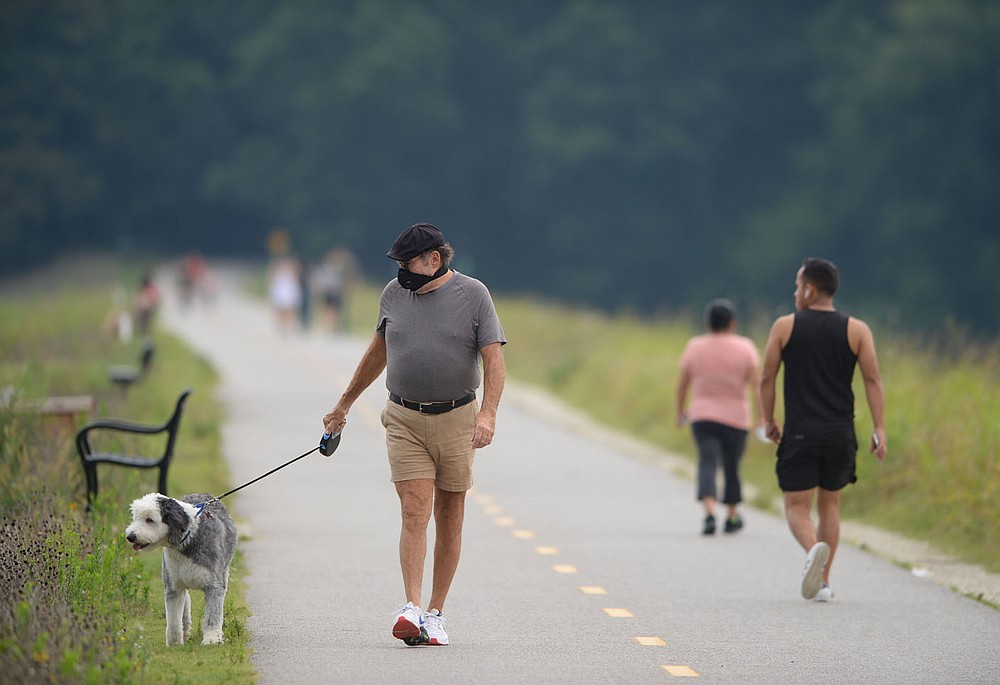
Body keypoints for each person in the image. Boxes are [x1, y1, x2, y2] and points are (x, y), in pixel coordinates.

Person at [322, 222, 506, 646]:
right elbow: (378, 352)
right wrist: (344, 404)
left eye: (409, 263)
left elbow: (493, 362)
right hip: (403, 417)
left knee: (450, 515)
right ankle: (411, 607)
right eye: (399, 264)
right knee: (413, 509)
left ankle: (435, 614)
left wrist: (489, 415)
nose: (402, 270)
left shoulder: (474, 295)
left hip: (458, 418)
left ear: (435, 260)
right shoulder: (393, 294)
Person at [761, 257, 887, 602]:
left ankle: (812, 547)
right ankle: (824, 582)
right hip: (840, 433)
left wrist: (768, 420)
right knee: (830, 505)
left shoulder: (785, 327)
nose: (794, 292)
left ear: (809, 289)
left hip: (801, 432)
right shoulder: (857, 329)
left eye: (797, 285)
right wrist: (879, 427)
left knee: (797, 507)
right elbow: (872, 379)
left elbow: (767, 377)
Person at [676, 299, 762, 536]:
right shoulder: (746, 347)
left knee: (707, 462)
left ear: (707, 322)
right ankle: (732, 516)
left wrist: (680, 411)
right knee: (732, 466)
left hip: (702, 416)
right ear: (733, 323)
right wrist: (764, 418)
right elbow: (757, 386)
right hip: (736, 418)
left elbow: (683, 384)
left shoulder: (695, 346)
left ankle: (709, 512)